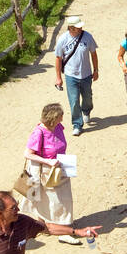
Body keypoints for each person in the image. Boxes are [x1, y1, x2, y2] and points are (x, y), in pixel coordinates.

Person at [20, 103, 81, 245]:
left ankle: (44, 226)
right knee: (57, 200)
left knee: (60, 199)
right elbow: (27, 154)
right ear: (53, 118)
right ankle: (63, 231)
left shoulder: (58, 126)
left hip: (59, 167)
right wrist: (48, 161)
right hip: (45, 171)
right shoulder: (39, 132)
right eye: (61, 115)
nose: (63, 117)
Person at [53, 16, 98, 135]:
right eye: (78, 27)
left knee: (87, 97)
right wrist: (59, 77)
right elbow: (58, 58)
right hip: (70, 75)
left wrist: (96, 70)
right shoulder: (63, 39)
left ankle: (86, 111)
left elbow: (93, 54)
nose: (81, 28)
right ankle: (77, 124)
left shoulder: (87, 36)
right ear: (71, 28)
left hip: (86, 74)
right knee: (74, 101)